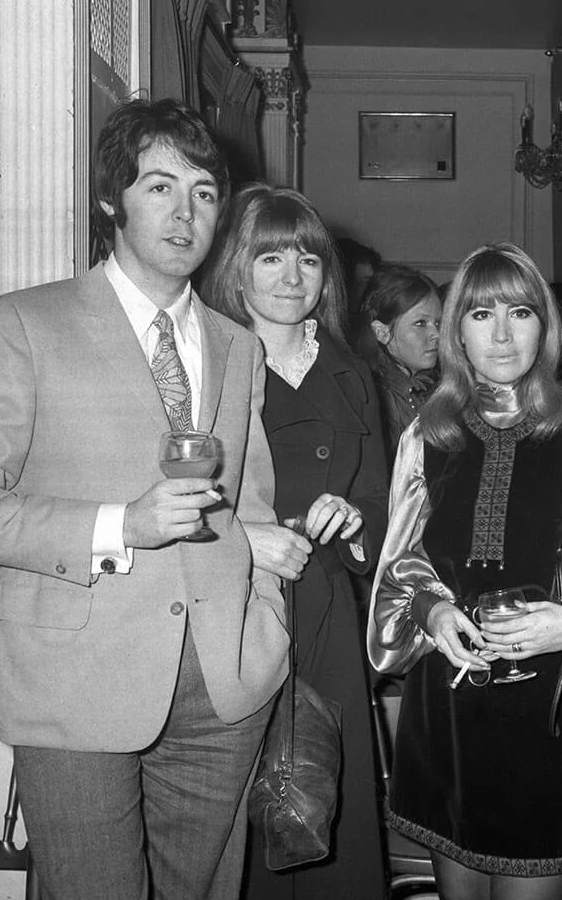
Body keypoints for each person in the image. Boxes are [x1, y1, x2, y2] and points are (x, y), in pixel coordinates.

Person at [0, 98, 288, 899]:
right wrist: (123, 525)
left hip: (223, 681)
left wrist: (266, 617)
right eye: (160, 187)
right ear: (111, 200)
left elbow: (248, 505)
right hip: (76, 681)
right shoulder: (22, 324)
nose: (186, 213)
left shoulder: (238, 345)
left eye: (205, 193)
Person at [367, 242, 562, 900]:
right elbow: (402, 572)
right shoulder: (427, 435)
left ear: (544, 327)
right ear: (456, 333)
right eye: (480, 314)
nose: (501, 334)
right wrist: (432, 611)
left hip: (554, 715)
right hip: (449, 706)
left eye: (520, 312)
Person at [202, 182, 389, 900]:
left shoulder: (352, 370)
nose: (291, 277)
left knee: (327, 806)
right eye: (271, 257)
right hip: (233, 609)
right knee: (237, 819)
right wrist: (245, 540)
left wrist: (357, 518)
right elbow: (167, 495)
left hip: (327, 607)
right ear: (237, 267)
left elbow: (379, 496)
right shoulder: (206, 363)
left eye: (308, 260)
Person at [354, 263, 442, 461]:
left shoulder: (431, 387)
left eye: (438, 323)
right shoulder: (371, 396)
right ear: (382, 332)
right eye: (420, 323)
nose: (436, 334)